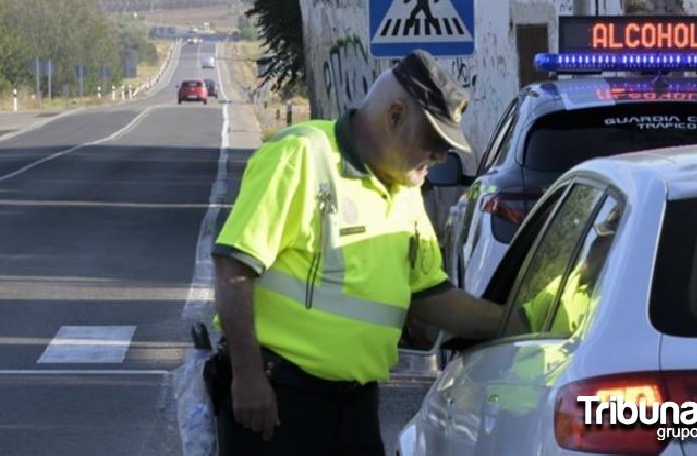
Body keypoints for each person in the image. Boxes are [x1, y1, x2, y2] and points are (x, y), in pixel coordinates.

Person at [210, 50, 504, 455]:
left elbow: (430, 296)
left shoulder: (404, 190)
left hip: (355, 403)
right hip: (279, 400)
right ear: (395, 116)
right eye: (434, 141)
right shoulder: (301, 156)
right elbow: (233, 267)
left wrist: (511, 322)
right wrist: (246, 376)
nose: (440, 156)